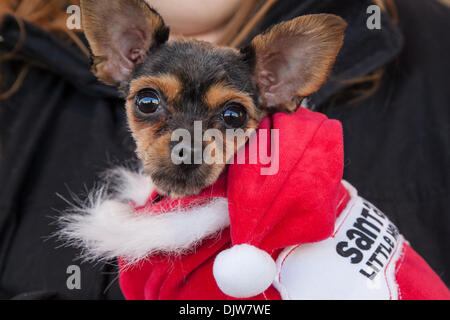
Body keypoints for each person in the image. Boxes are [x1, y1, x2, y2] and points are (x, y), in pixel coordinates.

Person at [0, 0, 448, 299]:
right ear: (122, 57)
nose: (187, 143)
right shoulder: (14, 69)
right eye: (151, 104)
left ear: (279, 82)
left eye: (229, 118)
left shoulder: (435, 46)